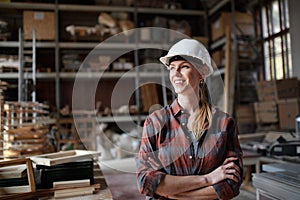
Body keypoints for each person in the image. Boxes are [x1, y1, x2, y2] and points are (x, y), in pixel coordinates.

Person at [135, 38, 243, 200]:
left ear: (202, 73)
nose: (176, 73)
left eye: (184, 67)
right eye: (172, 68)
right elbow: (146, 182)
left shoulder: (223, 123)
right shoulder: (155, 122)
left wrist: (169, 191)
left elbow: (231, 184)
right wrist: (209, 179)